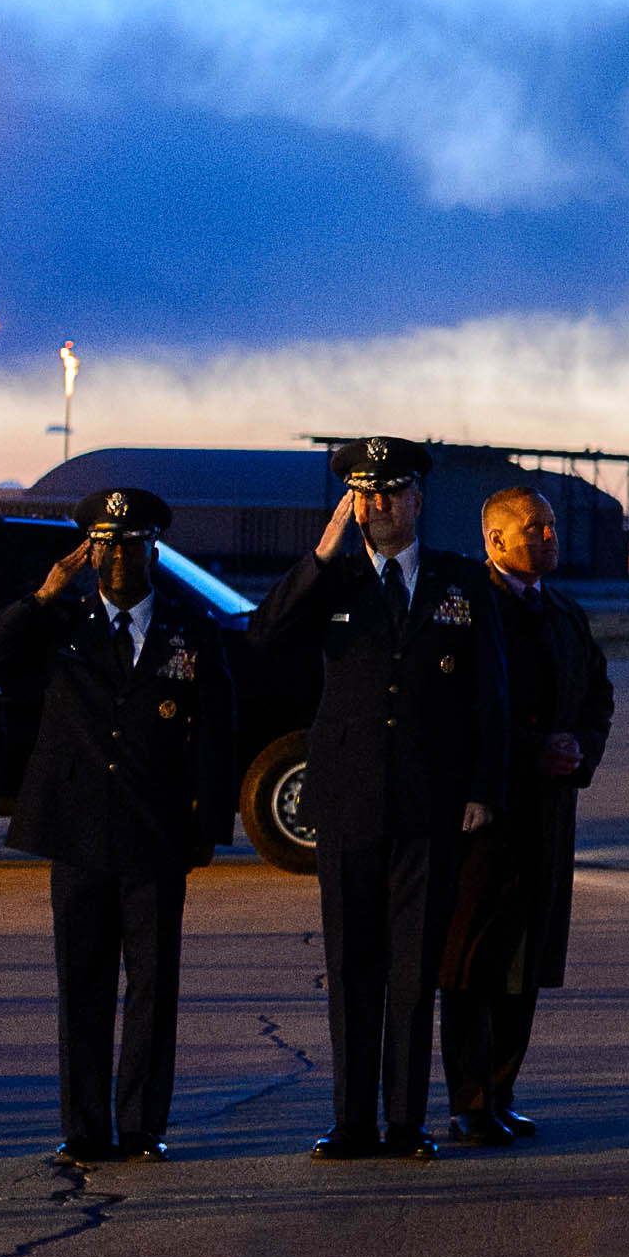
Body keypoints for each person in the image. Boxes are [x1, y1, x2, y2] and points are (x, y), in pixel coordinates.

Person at [249, 437, 507, 1161]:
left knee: (413, 970)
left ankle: (404, 1121)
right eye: (365, 492)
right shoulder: (331, 582)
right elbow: (264, 635)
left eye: (391, 491)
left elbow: (491, 696)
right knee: (351, 964)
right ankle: (351, 1120)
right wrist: (321, 555)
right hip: (350, 801)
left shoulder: (461, 583)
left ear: (418, 498)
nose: (378, 505)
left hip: (432, 805)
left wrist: (484, 789)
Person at [0, 489, 236, 1163]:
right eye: (105, 542)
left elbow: (216, 729)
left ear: (154, 548)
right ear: (88, 552)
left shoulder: (190, 625)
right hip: (79, 830)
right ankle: (85, 1127)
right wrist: (41, 593)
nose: (118, 554)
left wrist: (207, 818)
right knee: (82, 985)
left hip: (156, 830)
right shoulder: (60, 622)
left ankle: (144, 1125)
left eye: (132, 542)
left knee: (153, 985)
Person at [437, 487, 613, 1148]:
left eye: (550, 526)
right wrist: (534, 749)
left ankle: (502, 1091)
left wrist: (580, 749)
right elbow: (456, 709)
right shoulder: (469, 608)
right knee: (474, 960)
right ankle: (470, 1100)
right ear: (495, 540)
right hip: (490, 814)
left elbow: (599, 693)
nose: (548, 536)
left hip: (548, 814)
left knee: (526, 958)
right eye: (532, 527)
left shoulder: (564, 612)